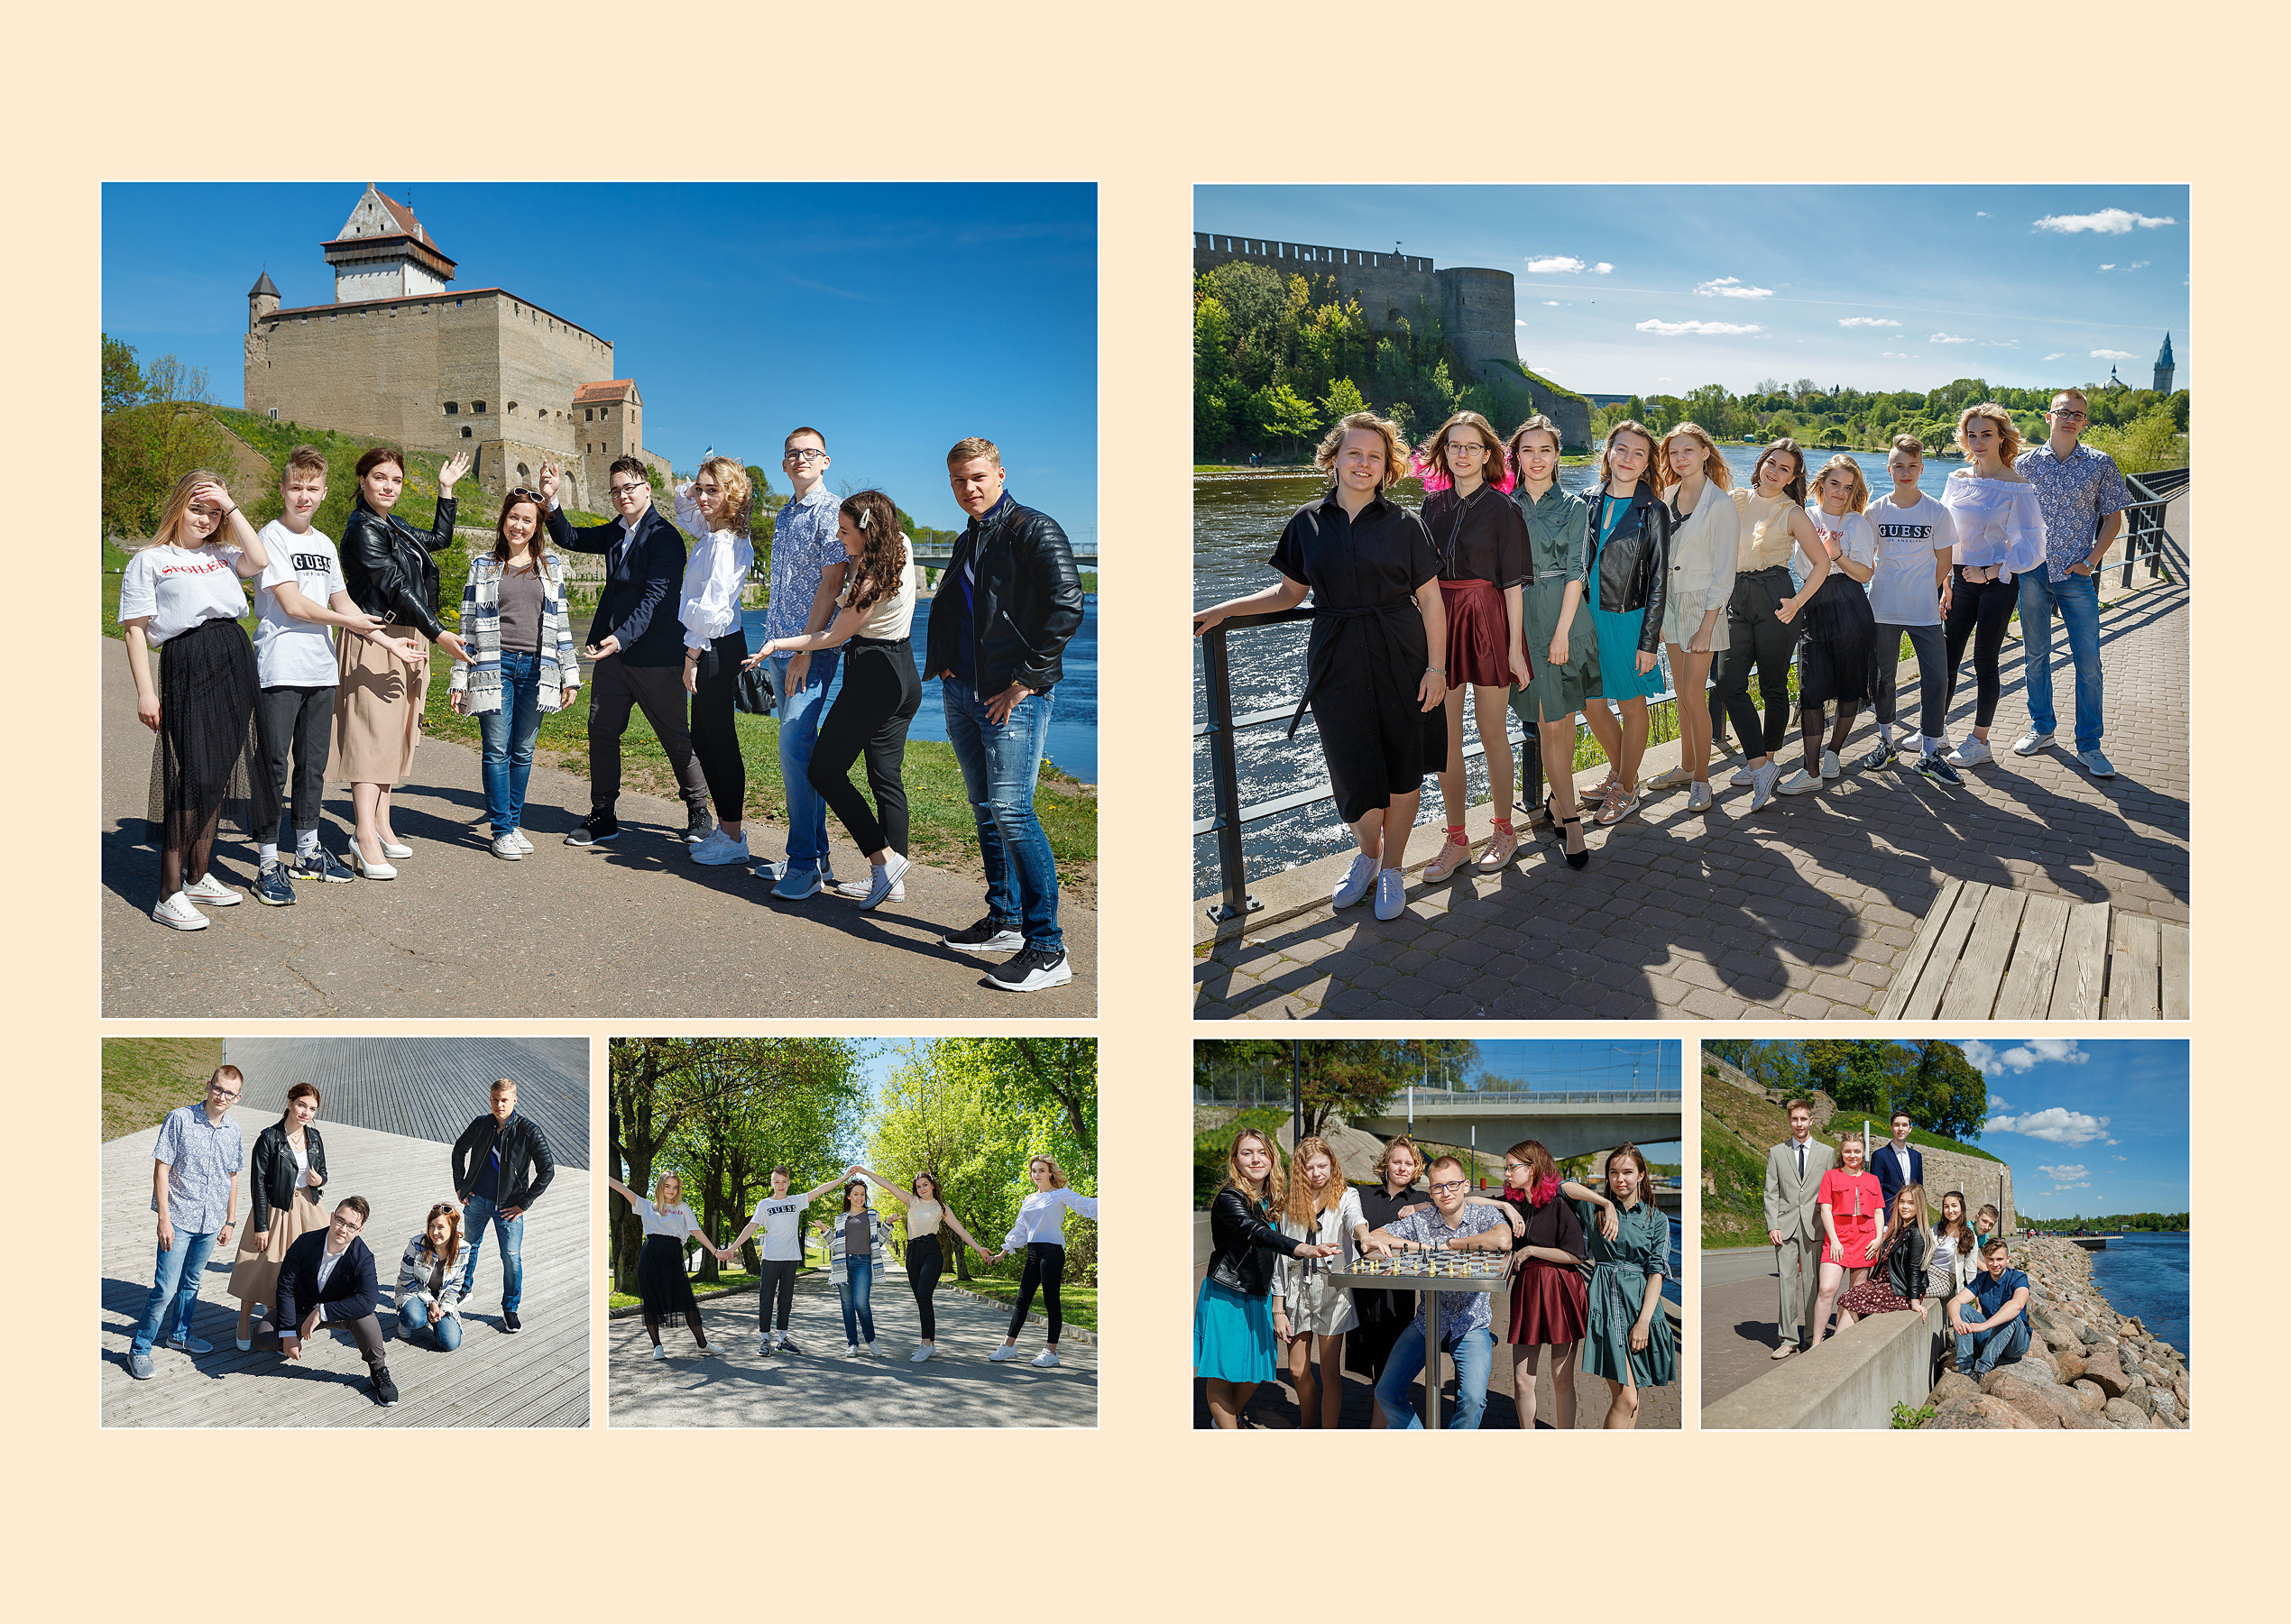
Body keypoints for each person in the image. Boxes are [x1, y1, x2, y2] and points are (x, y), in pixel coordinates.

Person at [1193, 411, 1446, 922]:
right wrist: (1223, 608)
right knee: (1351, 771)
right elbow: (1289, 593)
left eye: (1375, 456)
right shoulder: (1307, 522)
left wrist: (1436, 668)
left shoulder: (1405, 525)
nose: (1364, 463)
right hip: (1336, 659)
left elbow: (1433, 602)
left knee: (1402, 769)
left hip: (1402, 655)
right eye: (1355, 453)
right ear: (1334, 458)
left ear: (1387, 465)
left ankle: (1393, 868)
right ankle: (1369, 857)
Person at [926, 437, 1087, 987]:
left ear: (999, 474)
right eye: (957, 481)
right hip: (964, 692)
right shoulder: (969, 537)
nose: (967, 489)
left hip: (1010, 696)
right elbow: (957, 608)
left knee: (1012, 811)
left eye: (977, 477)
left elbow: (1068, 605)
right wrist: (946, 665)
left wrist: (1024, 681)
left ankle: (1048, 950)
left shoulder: (1033, 529)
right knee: (985, 807)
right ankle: (1006, 918)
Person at [248, 445, 412, 901]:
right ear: (283, 490)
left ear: (324, 493)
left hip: (321, 670)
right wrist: (354, 623)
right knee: (274, 765)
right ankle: (266, 862)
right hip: (280, 667)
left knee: (313, 766)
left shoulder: (322, 543)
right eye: (296, 488)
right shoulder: (271, 537)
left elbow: (343, 602)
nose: (304, 497)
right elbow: (293, 604)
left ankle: (306, 851)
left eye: (313, 489)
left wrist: (386, 640)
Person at [120, 471, 281, 929]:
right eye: (197, 508)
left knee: (221, 768)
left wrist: (230, 506)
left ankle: (198, 874)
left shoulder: (224, 555)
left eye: (214, 512)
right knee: (193, 773)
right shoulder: (151, 560)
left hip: (233, 654)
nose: (206, 519)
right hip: (188, 657)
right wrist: (145, 692)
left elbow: (261, 558)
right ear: (177, 507)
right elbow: (135, 630)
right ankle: (168, 892)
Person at [749, 490, 922, 910]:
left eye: (845, 532)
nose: (839, 539)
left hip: (874, 677)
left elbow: (833, 636)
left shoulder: (871, 579)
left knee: (824, 770)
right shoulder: (899, 545)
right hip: (904, 672)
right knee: (884, 776)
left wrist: (777, 645)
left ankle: (884, 862)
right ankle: (890, 880)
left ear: (867, 530)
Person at [539, 456, 713, 849]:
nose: (621, 496)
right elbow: (572, 539)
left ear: (647, 489)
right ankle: (603, 814)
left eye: (629, 488)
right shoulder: (617, 531)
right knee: (601, 732)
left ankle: (698, 809)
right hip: (613, 655)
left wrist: (620, 637)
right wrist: (551, 501)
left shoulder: (664, 537)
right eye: (615, 490)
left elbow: (655, 598)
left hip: (656, 655)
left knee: (673, 736)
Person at [333, 447, 475, 877]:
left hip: (408, 634)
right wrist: (439, 632)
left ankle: (381, 821)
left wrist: (446, 491)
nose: (388, 487)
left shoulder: (389, 523)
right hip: (377, 637)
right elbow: (394, 586)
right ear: (362, 481)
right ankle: (363, 834)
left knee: (397, 732)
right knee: (372, 736)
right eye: (379, 478)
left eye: (395, 480)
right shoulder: (362, 530)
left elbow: (438, 541)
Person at [1412, 411, 1531, 879]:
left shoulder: (1505, 510)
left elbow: (1514, 586)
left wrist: (1515, 648)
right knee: (1446, 740)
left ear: (1488, 455)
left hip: (1486, 620)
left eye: (1472, 447)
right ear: (1444, 453)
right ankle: (1456, 839)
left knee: (1492, 732)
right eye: (1454, 446)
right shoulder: (1430, 509)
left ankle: (1504, 830)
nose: (1462, 454)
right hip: (1440, 622)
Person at [448, 486, 581, 858]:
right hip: (495, 666)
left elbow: (564, 625)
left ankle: (513, 822)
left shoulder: (550, 567)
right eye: (513, 518)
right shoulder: (483, 565)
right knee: (495, 749)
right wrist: (460, 677)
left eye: (527, 520)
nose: (518, 526)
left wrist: (569, 675)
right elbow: (467, 627)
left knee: (523, 751)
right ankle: (502, 829)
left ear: (537, 526)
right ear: (503, 520)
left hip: (539, 669)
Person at [752, 427, 851, 895]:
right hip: (780, 645)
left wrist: (802, 651)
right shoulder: (787, 513)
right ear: (784, 463)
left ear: (826, 460)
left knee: (794, 752)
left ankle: (804, 863)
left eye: (810, 453)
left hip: (808, 650)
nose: (800, 459)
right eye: (792, 454)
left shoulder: (831, 512)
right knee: (797, 751)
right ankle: (819, 857)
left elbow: (832, 585)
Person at [2014, 388, 2133, 777]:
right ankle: (2042, 729)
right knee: (2035, 657)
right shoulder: (2025, 464)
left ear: (2084, 422)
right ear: (2049, 416)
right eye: (2063, 412)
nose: (2070, 418)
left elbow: (2114, 518)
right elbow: (2000, 510)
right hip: (2032, 573)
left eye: (2077, 414)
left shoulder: (2100, 464)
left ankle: (2090, 745)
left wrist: (2091, 561)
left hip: (2074, 576)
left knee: (2089, 661)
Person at [1711, 439, 1831, 811]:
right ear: (1761, 462)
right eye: (1771, 463)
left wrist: (1797, 602)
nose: (1774, 472)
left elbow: (1823, 564)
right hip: (1737, 596)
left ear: (1793, 478)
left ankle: (1769, 761)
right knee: (1729, 684)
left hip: (1776, 598)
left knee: (1773, 686)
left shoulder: (1793, 513)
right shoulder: (1736, 499)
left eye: (1784, 469)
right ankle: (1759, 763)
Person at [1504, 415, 1599, 867]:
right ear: (1516, 457)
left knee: (1561, 724)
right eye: (1528, 450)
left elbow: (1579, 571)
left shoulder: (1576, 506)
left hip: (1566, 619)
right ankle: (1572, 821)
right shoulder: (1505, 506)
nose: (1536, 459)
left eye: (1545, 450)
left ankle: (1561, 806)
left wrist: (1562, 633)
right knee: (1547, 723)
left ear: (1557, 456)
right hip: (1523, 620)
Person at [1359, 1153, 1512, 1429]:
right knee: (1386, 1391)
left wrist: (1452, 1244)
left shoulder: (1484, 1215)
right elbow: (1375, 1239)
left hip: (1472, 1322)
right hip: (1426, 1320)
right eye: (1438, 1187)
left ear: (1465, 1186)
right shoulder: (1422, 1221)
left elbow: (1503, 1240)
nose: (1445, 1193)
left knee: (1473, 1400)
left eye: (1452, 1185)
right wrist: (1423, 1248)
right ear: (1430, 1191)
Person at [1195, 1128, 1333, 1428]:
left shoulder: (1271, 1201)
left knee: (1256, 1372)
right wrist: (1301, 1248)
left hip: (1258, 1295)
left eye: (1262, 1153)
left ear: (1272, 1158)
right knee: (1221, 1372)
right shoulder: (1229, 1197)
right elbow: (1254, 1232)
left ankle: (1223, 1422)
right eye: (1247, 1153)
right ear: (1236, 1160)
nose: (1255, 1159)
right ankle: (1229, 1430)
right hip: (1226, 1294)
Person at [1937, 403, 2047, 769]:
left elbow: (2033, 547)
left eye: (1986, 434)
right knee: (1947, 657)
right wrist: (1946, 579)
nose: (1978, 442)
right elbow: (1944, 532)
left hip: (1998, 580)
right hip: (1959, 579)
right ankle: (1935, 731)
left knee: (1984, 659)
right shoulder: (1957, 479)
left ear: (2002, 437)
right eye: (1972, 434)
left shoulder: (2018, 487)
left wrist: (1990, 571)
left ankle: (1979, 741)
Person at [1575, 421, 1672, 827]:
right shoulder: (1586, 500)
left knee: (1631, 705)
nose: (1628, 459)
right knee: (1590, 704)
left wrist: (1649, 642)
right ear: (1608, 452)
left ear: (1648, 463)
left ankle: (1627, 790)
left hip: (1627, 620)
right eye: (1621, 449)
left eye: (1639, 453)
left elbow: (1660, 580)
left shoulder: (1654, 510)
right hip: (1587, 615)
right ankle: (1623, 773)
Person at [1642, 423, 1740, 812]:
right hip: (1670, 604)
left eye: (1688, 450)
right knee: (1682, 695)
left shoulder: (1722, 505)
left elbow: (1724, 572)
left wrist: (1707, 624)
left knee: (1693, 696)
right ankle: (1685, 767)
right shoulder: (1665, 496)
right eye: (1674, 453)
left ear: (1704, 452)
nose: (1680, 458)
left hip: (1704, 607)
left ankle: (1702, 779)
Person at [125, 1066, 244, 1379]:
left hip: (211, 1222)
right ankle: (139, 1349)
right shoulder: (179, 1118)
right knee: (165, 1289)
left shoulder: (234, 1130)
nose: (222, 1096)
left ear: (237, 1098)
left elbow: (232, 1177)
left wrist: (230, 1220)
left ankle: (178, 1335)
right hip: (177, 1219)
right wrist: (163, 1218)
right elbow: (162, 1168)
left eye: (229, 1093)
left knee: (192, 1283)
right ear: (208, 1086)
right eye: (218, 1088)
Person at [1775, 455, 1882, 796]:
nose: (1840, 492)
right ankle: (1810, 770)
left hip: (1850, 604)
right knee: (1811, 690)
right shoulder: (1804, 515)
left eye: (1848, 487)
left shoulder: (1857, 523)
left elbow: (1866, 574)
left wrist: (1837, 556)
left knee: (1851, 687)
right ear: (1821, 484)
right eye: (1834, 484)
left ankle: (1833, 751)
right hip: (1813, 604)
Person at [669, 457, 758, 866]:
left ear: (732, 496)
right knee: (704, 739)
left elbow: (714, 607)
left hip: (714, 647)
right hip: (710, 644)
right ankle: (726, 832)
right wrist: (695, 489)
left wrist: (691, 656)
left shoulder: (726, 542)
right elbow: (684, 508)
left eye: (712, 490)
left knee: (719, 741)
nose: (701, 497)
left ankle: (734, 837)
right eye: (700, 488)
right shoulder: (712, 531)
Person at [1859, 436, 1960, 785]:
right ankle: (1886, 742)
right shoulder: (1875, 510)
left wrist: (1924, 590)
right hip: (1883, 608)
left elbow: (1945, 560)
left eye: (1912, 466)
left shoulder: (1936, 511)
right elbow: (1866, 557)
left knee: (1937, 678)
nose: (1905, 472)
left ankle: (1930, 751)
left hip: (1924, 610)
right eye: (1899, 466)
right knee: (1883, 678)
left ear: (1921, 468)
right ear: (1889, 469)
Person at [258, 1195, 397, 1408]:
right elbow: (285, 1288)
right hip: (301, 1308)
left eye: (352, 1226)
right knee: (263, 1338)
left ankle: (378, 1371)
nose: (343, 1229)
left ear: (359, 1231)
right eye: (340, 1220)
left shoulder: (363, 1257)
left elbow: (369, 1301)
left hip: (338, 1313)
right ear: (331, 1217)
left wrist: (323, 1312)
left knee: (366, 1317)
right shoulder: (305, 1243)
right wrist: (287, 1334)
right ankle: (291, 1340)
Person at [1269, 1136, 1366, 1429]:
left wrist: (1365, 1236)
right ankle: (1308, 1425)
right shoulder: (1289, 1202)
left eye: (1322, 1165)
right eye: (1309, 1167)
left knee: (1328, 1371)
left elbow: (1354, 1219)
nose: (1317, 1173)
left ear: (1332, 1164)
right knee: (1297, 1369)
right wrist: (1278, 1306)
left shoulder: (1347, 1195)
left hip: (1333, 1291)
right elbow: (1280, 1254)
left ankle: (1327, 1432)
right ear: (1300, 1170)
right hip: (1298, 1290)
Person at [1576, 1144, 1674, 1430]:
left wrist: (1644, 1322)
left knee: (1635, 1397)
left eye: (1628, 1172)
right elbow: (1563, 1186)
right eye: (1613, 1172)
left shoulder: (1656, 1219)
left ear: (1642, 1175)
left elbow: (1656, 1273)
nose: (1620, 1179)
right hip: (1607, 1303)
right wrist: (1605, 1203)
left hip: (1641, 1309)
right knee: (1626, 1398)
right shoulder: (1594, 1209)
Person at [850, 1163, 989, 1361]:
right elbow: (888, 1185)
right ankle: (931, 1344)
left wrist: (979, 1248)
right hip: (913, 1252)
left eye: (925, 1185)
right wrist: (865, 1172)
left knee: (924, 1294)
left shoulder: (941, 1208)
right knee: (922, 1300)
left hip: (931, 1251)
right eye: (918, 1187)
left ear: (932, 1185)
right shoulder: (912, 1201)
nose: (922, 1189)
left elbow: (961, 1230)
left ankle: (925, 1344)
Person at [225, 1080, 327, 1350]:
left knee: (302, 1266)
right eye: (301, 1105)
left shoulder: (314, 1137)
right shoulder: (269, 1138)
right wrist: (261, 1225)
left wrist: (318, 1181)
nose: (306, 1113)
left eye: (312, 1108)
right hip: (276, 1208)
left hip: (309, 1206)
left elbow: (323, 1173)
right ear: (290, 1103)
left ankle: (280, 1318)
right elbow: (257, 1184)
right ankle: (244, 1321)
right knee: (261, 1264)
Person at [450, 1078, 556, 1334]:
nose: (499, 1105)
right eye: (495, 1099)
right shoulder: (481, 1124)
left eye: (504, 1100)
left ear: (514, 1100)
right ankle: (464, 1290)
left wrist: (524, 1203)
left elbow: (547, 1171)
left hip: (509, 1208)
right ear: (490, 1099)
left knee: (511, 1259)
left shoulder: (529, 1131)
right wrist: (461, 1185)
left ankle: (510, 1308)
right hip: (476, 1201)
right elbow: (458, 1150)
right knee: (468, 1248)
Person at [1495, 1139, 1588, 1430]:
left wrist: (1531, 1250)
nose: (1507, 1173)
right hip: (1527, 1293)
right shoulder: (1513, 1204)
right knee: (1523, 1380)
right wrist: (1503, 1206)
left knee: (1561, 1378)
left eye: (1513, 1167)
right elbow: (1469, 1201)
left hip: (1561, 1290)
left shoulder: (1559, 1204)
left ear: (1532, 1168)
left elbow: (1575, 1255)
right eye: (1506, 1167)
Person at [723, 1163, 859, 1355]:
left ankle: (782, 1340)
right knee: (766, 1300)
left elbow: (820, 1190)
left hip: (790, 1259)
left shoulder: (796, 1201)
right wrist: (732, 1248)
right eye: (777, 1182)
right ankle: (764, 1340)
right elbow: (751, 1228)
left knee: (785, 1300)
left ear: (788, 1183)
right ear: (772, 1183)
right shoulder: (764, 1204)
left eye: (784, 1182)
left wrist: (844, 1178)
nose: (780, 1185)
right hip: (770, 1258)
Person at [1345, 1136, 1430, 1427]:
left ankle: (1377, 1429)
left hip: (1398, 1297)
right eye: (1397, 1161)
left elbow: (1450, 1206)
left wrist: (1418, 1210)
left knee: (1387, 1369)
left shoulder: (1421, 1201)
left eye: (1409, 1163)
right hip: (1363, 1295)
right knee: (1370, 1366)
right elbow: (1360, 1240)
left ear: (1416, 1167)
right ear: (1386, 1164)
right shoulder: (1363, 1196)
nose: (1402, 1168)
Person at [988, 1154, 1099, 1367]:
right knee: (1022, 1300)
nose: (1036, 1174)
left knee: (1051, 1300)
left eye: (1041, 1170)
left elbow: (1086, 1205)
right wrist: (1004, 1251)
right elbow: (1021, 1228)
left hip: (1052, 1251)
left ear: (1050, 1173)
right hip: (1033, 1251)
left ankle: (1051, 1352)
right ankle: (1008, 1347)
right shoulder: (1029, 1199)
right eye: (1033, 1171)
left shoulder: (1060, 1195)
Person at [605, 1172, 714, 1358]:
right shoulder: (647, 1206)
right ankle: (657, 1347)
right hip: (650, 1257)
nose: (672, 1191)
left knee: (687, 1300)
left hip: (673, 1257)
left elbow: (696, 1231)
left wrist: (715, 1251)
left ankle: (702, 1344)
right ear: (660, 1187)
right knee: (651, 1303)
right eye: (668, 1186)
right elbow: (623, 1190)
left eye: (675, 1187)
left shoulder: (683, 1208)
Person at [1762, 1099, 1836, 1359]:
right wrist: (1772, 1225)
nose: (1799, 1124)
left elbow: (1831, 1193)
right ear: (1789, 1121)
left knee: (1814, 1284)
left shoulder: (1827, 1153)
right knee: (1787, 1285)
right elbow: (1770, 1193)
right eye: (1795, 1119)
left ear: (1811, 1121)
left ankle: (1813, 1336)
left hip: (1815, 1227)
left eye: (1803, 1119)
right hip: (1784, 1227)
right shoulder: (1776, 1153)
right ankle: (1788, 1339)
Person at [1808, 1133, 1883, 1348]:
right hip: (1837, 1239)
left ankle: (1839, 1342)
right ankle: (1816, 1344)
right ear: (1841, 1152)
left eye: (1857, 1151)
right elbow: (1825, 1209)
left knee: (1854, 1294)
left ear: (1863, 1153)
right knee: (1827, 1289)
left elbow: (1879, 1212)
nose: (1852, 1155)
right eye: (1848, 1151)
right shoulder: (1831, 1176)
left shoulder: (1873, 1180)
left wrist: (1878, 1239)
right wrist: (1834, 1240)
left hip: (1865, 1241)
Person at [823, 1176, 897, 1357]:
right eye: (855, 1194)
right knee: (847, 1305)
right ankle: (852, 1343)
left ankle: (871, 1340)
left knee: (861, 1303)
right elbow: (835, 1246)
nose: (859, 1198)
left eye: (862, 1194)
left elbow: (878, 1242)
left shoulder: (872, 1215)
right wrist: (825, 1231)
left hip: (863, 1262)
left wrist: (887, 1224)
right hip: (843, 1263)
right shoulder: (840, 1219)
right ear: (848, 1196)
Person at [1837, 1185, 1934, 1322]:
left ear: (1920, 1205)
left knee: (1852, 1300)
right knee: (1846, 1297)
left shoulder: (1916, 1233)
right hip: (1883, 1284)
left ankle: (1844, 1341)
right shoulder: (1896, 1230)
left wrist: (1914, 1302)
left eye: (1911, 1203)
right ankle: (1841, 1341)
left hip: (1899, 1289)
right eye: (1902, 1202)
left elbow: (1914, 1269)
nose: (1905, 1206)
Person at [1947, 1238, 2032, 1376]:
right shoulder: (1982, 1279)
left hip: (2014, 1344)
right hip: (1989, 1338)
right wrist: (1957, 1321)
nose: (1995, 1264)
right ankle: (1965, 1368)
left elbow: (2018, 1304)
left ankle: (1981, 1369)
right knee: (1963, 1308)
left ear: (2008, 1258)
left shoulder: (2018, 1277)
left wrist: (1984, 1325)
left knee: (2011, 1314)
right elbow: (1954, 1302)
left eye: (1999, 1259)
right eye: (1990, 1259)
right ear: (1985, 1259)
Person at [395, 1202, 469, 1353]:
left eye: (441, 1227)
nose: (434, 1232)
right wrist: (431, 1302)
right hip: (414, 1291)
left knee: (450, 1343)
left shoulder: (464, 1249)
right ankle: (409, 1317)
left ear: (452, 1228)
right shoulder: (416, 1244)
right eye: (431, 1226)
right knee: (414, 1319)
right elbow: (406, 1278)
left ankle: (432, 1318)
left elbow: (457, 1285)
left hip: (442, 1296)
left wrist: (445, 1307)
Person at [1929, 1189, 1983, 1308]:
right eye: (1946, 1206)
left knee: (1913, 1291)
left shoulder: (1969, 1236)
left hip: (1946, 1279)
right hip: (1927, 1272)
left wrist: (1978, 1305)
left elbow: (1971, 1272)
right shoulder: (1937, 1227)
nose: (1950, 1210)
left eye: (1954, 1206)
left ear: (1962, 1208)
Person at [1872, 1110, 1924, 1213]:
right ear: (1891, 1128)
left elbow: (1919, 1189)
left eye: (1904, 1125)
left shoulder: (1916, 1156)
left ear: (1910, 1129)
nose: (1900, 1129)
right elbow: (1876, 1192)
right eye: (1897, 1125)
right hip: (1889, 1215)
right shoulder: (1879, 1155)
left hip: (1912, 1215)